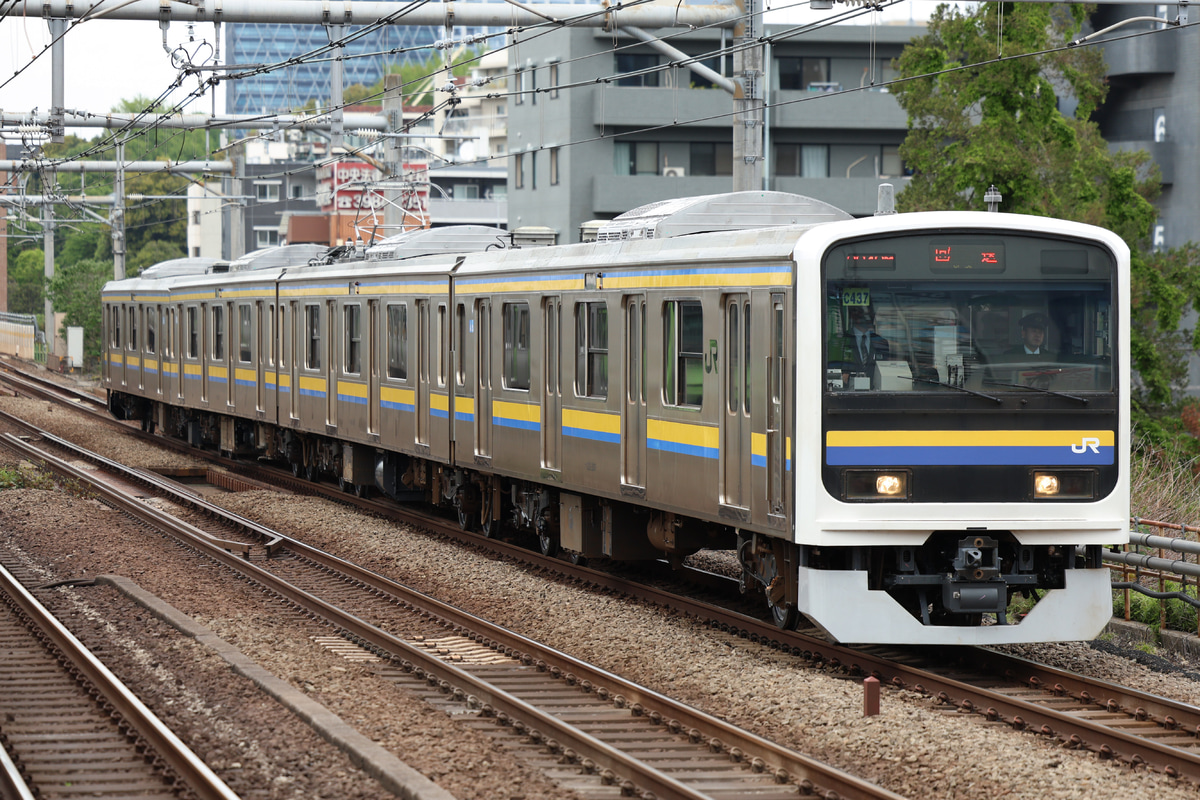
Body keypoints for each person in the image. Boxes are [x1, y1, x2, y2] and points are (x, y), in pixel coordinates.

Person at [832, 304, 889, 383]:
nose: (866, 316)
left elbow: (886, 371)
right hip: (847, 391)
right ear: (852, 315)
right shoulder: (840, 341)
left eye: (869, 313)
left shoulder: (881, 342)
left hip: (876, 391)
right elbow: (832, 370)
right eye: (862, 313)